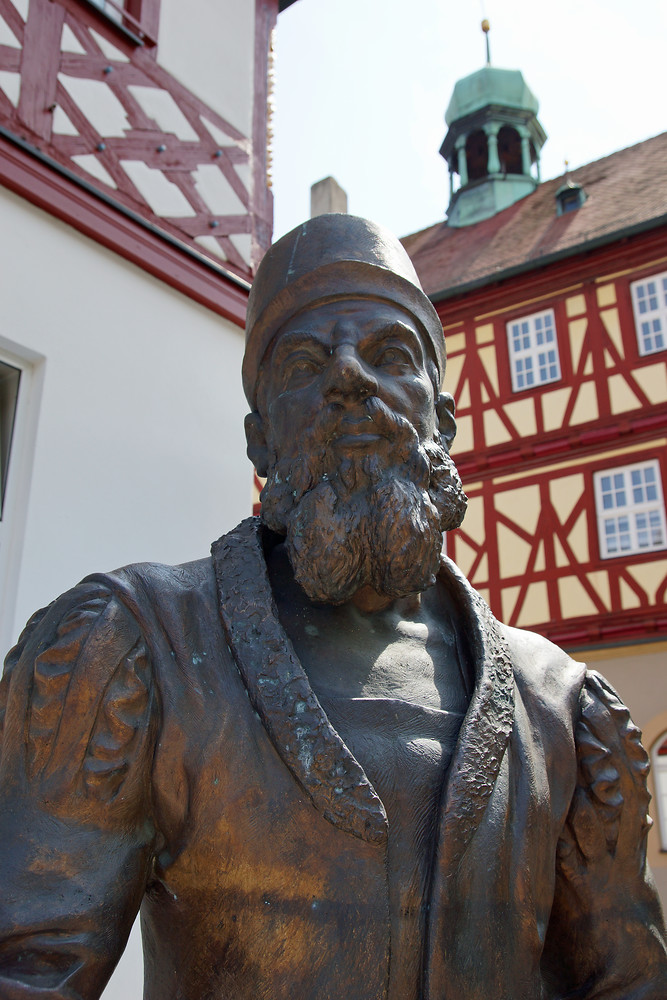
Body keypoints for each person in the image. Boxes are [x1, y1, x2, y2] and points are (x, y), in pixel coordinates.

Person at [0, 214, 665, 1000]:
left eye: (390, 354)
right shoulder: (132, 649)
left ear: (442, 422)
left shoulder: (559, 704)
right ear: (259, 440)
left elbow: (625, 982)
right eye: (304, 364)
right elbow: (29, 971)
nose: (349, 378)